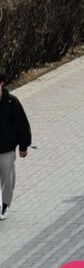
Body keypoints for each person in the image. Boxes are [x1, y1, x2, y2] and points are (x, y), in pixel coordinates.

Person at [0, 72, 30, 221]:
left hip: (6, 148)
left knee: (7, 178)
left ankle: (4, 205)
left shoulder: (12, 102)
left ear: (1, 84)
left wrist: (23, 146)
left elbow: (22, 125)